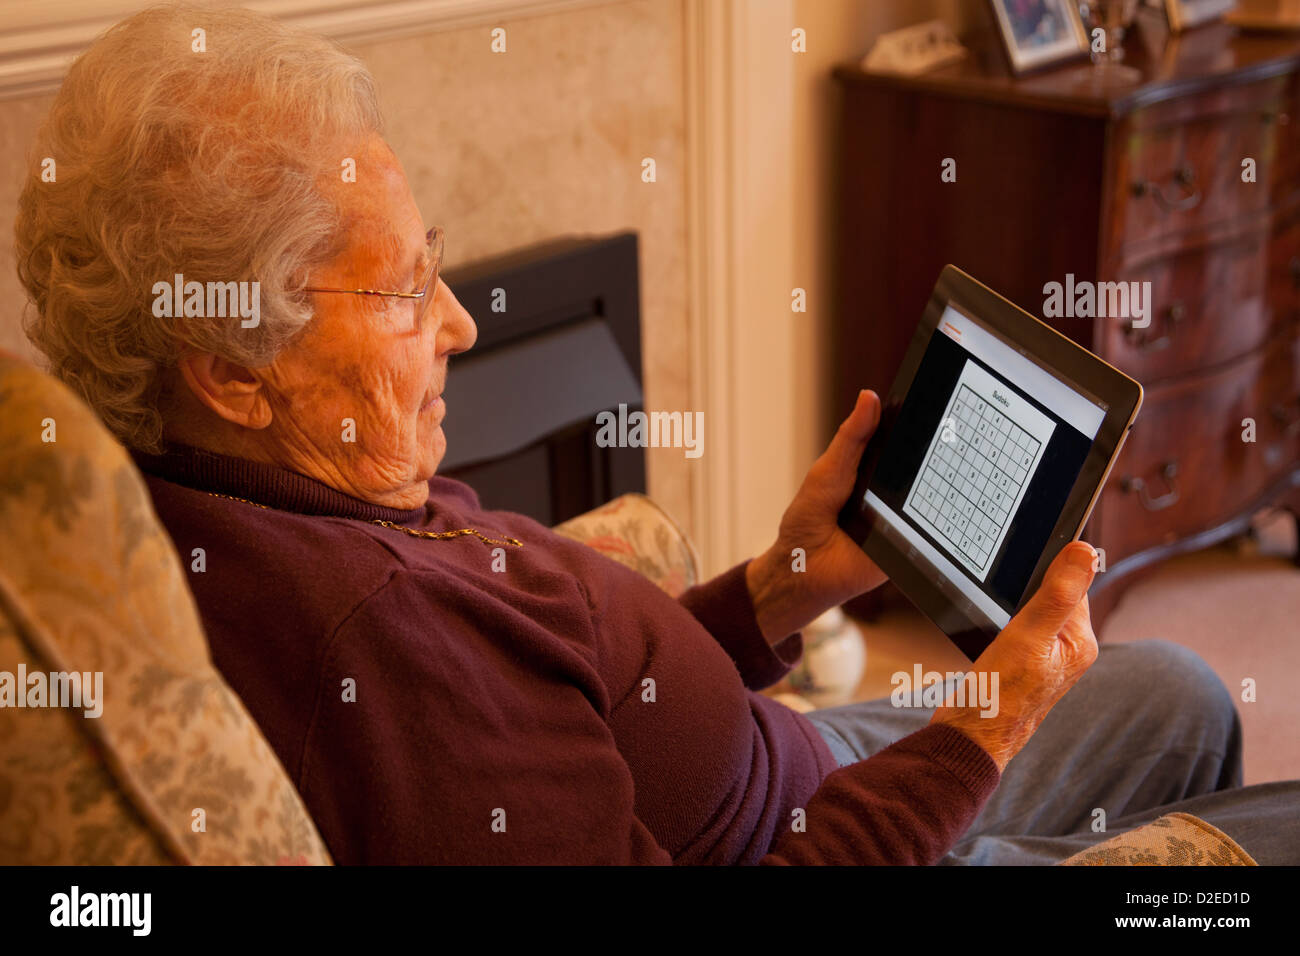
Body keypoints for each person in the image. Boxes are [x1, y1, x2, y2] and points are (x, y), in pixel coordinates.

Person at [15, 2, 1298, 864]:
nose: (459, 324)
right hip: (843, 833)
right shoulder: (380, 651)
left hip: (784, 757)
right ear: (232, 368)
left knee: (1177, 685)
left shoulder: (227, 488)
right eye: (403, 290)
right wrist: (990, 723)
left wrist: (781, 586)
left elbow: (569, 677)